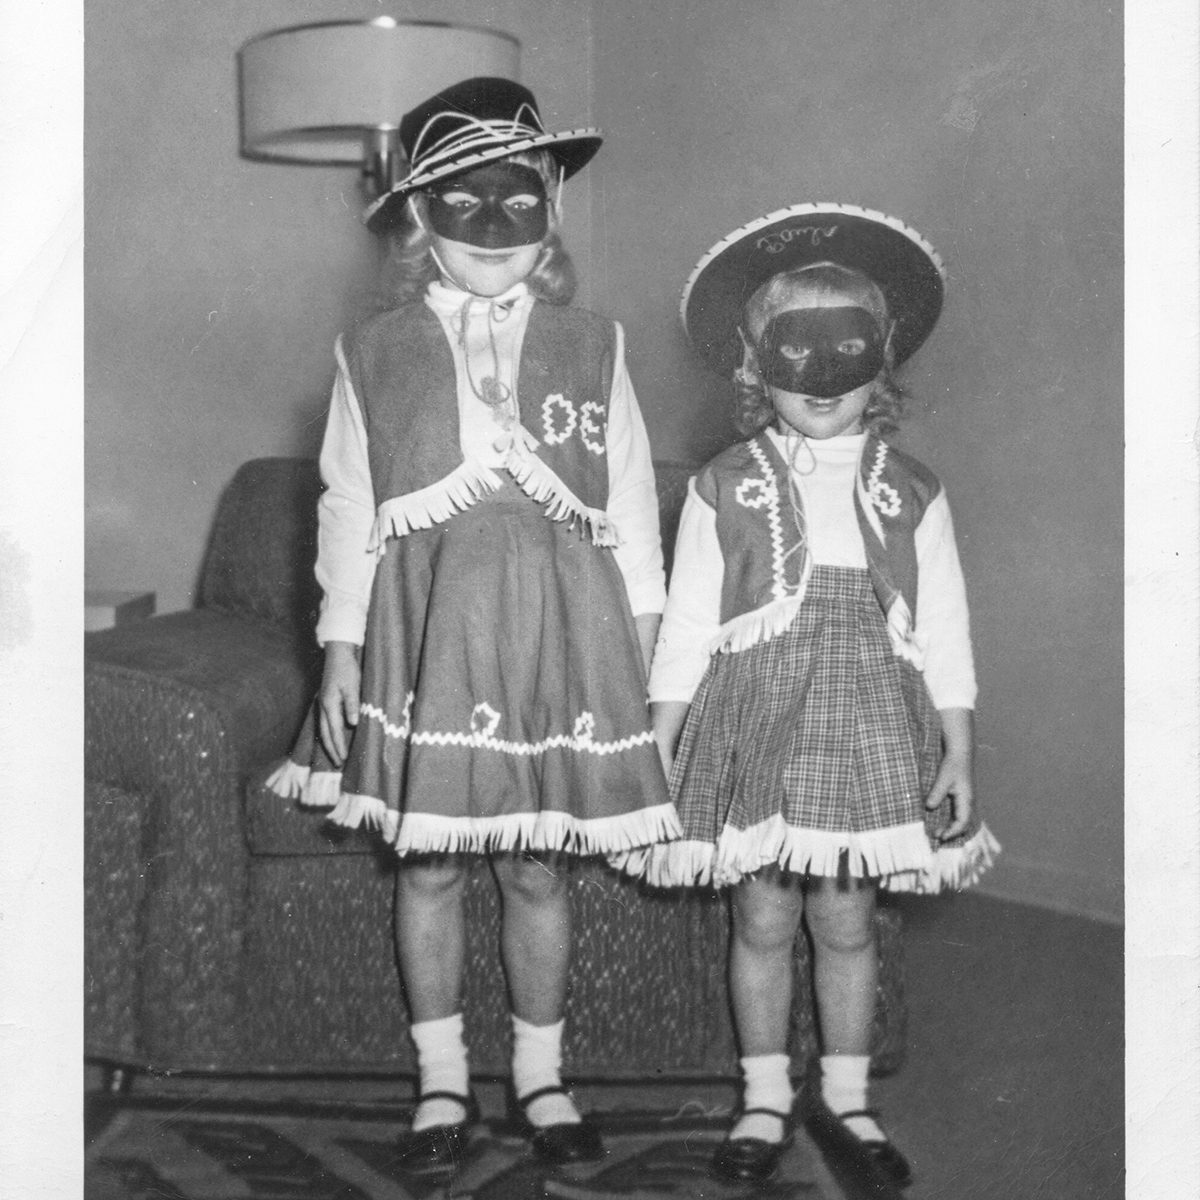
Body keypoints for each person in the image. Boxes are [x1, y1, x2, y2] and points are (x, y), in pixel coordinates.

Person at [268, 76, 677, 1170]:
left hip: (562, 622)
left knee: (539, 864)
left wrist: (646, 638)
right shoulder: (374, 349)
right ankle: (442, 1082)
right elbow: (349, 505)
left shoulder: (596, 343)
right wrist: (343, 647)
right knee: (432, 867)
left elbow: (630, 499)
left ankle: (542, 1076)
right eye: (463, 201)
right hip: (429, 623)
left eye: (518, 198)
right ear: (417, 216)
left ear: (550, 205)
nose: (493, 227)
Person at [620, 204, 999, 1187]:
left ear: (884, 360)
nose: (823, 378)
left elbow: (945, 624)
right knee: (761, 918)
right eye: (796, 351)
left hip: (871, 717)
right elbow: (690, 622)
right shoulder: (723, 486)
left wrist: (958, 744)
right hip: (757, 723)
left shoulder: (913, 490)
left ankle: (846, 1096)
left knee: (845, 922)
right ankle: (761, 1095)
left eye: (848, 350)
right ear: (752, 366)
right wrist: (661, 739)